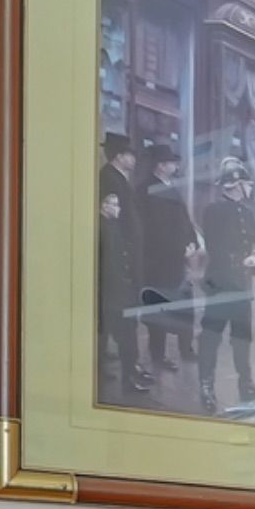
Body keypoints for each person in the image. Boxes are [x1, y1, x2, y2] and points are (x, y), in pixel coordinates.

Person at [192, 164, 255, 413]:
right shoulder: (213, 211)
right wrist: (242, 261)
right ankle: (206, 387)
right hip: (220, 286)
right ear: (238, 185)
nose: (250, 188)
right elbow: (216, 248)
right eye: (247, 184)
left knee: (242, 337)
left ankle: (246, 385)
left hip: (241, 287)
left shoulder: (246, 212)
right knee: (211, 338)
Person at [132, 143, 197, 402]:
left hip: (178, 261)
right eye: (171, 162)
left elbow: (184, 220)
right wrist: (179, 248)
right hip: (158, 263)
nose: (175, 165)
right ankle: (157, 356)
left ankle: (185, 348)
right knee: (158, 311)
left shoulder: (171, 187)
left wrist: (192, 242)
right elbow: (152, 230)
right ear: (160, 166)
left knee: (184, 306)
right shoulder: (145, 190)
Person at [93, 136, 142, 401]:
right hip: (115, 260)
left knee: (113, 319)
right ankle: (116, 370)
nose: (134, 158)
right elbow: (113, 222)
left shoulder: (118, 177)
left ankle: (112, 367)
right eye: (129, 154)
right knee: (115, 319)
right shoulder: (110, 178)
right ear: (119, 156)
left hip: (123, 255)